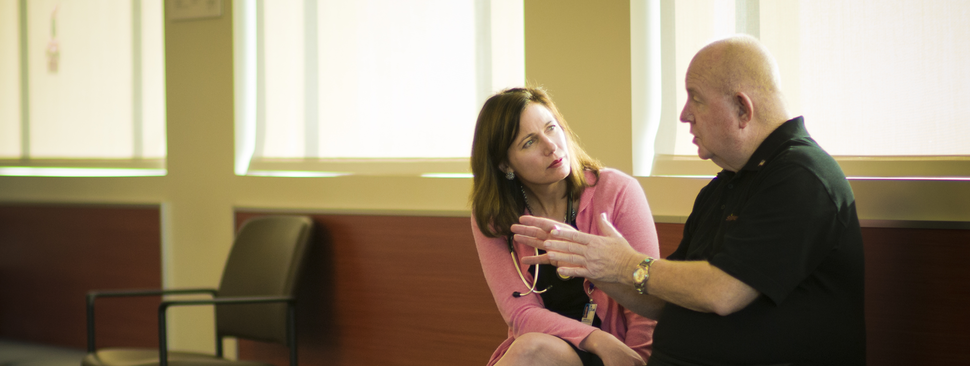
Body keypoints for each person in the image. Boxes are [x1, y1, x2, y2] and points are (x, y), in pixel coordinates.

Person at [514, 35, 866, 366]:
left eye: (695, 98)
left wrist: (626, 264)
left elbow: (723, 291)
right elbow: (664, 300)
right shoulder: (723, 188)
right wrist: (596, 266)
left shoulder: (801, 177)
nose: (684, 115)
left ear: (743, 109)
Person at [470, 87, 661, 366]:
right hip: (550, 350)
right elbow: (520, 313)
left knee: (530, 349)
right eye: (529, 142)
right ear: (504, 164)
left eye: (551, 128)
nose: (551, 146)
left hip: (618, 354)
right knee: (530, 348)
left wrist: (639, 359)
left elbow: (647, 301)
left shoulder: (618, 191)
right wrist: (596, 338)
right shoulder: (492, 216)